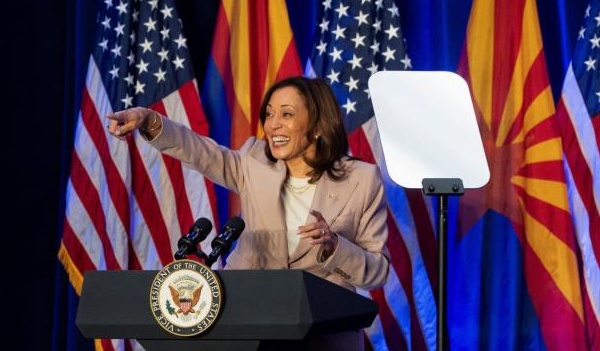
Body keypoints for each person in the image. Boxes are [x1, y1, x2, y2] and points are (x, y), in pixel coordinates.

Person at [107, 76, 389, 349]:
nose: (273, 125)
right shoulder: (254, 161)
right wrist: (150, 121)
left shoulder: (362, 180)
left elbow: (377, 272)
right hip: (250, 326)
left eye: (286, 114)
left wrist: (335, 247)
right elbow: (200, 152)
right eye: (269, 114)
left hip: (324, 336)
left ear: (316, 124)